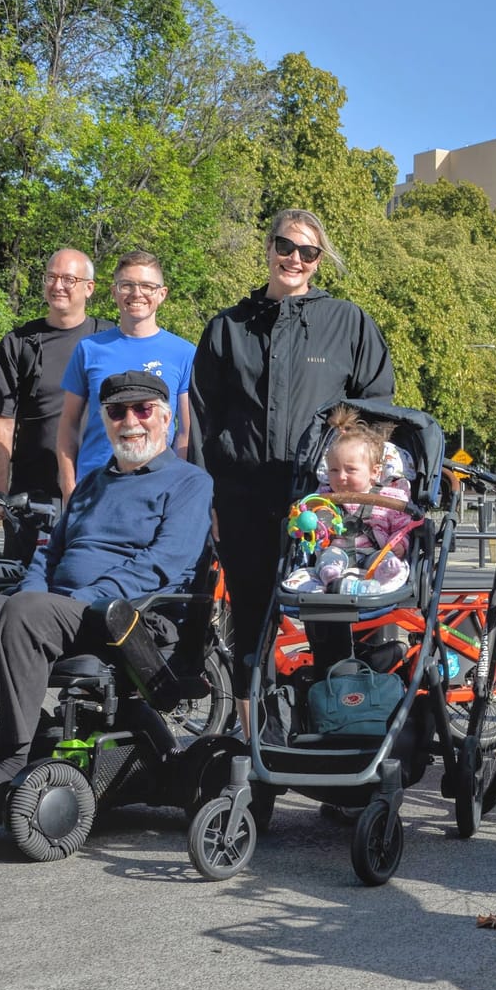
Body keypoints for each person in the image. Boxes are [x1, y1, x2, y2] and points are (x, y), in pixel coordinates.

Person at [0, 372, 213, 813]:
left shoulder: (189, 482)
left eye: (143, 410)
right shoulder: (91, 484)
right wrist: (30, 595)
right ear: (105, 421)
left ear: (166, 419)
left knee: (30, 609)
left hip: (126, 620)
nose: (130, 421)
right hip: (50, 611)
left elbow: (162, 563)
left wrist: (77, 599)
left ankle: (12, 759)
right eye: (117, 412)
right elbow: (48, 556)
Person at [192, 209, 394, 711]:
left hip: (322, 503)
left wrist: (356, 484)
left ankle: (335, 728)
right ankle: (253, 742)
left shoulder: (348, 322)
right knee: (251, 625)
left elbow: (377, 412)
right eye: (285, 246)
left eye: (308, 251)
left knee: (329, 621)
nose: (294, 259)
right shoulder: (228, 327)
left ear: (319, 260)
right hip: (242, 501)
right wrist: (205, 497)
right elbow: (200, 419)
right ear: (269, 248)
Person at [0, 248, 114, 560]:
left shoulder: (110, 340)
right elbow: (2, 422)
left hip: (100, 490)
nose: (58, 286)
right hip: (33, 496)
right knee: (23, 583)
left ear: (89, 288)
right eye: (51, 277)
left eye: (69, 279)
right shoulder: (19, 343)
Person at [56, 251, 196, 500]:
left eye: (147, 286)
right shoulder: (89, 349)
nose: (136, 293)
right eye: (127, 285)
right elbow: (67, 426)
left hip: (156, 490)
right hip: (94, 489)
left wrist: (177, 487)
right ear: (114, 292)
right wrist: (69, 488)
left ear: (162, 294)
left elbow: (186, 432)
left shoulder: (184, 353)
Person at [285, 405, 415, 597]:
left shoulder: (390, 498)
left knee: (386, 559)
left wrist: (400, 544)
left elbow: (402, 527)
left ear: (374, 472)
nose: (341, 477)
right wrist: (310, 523)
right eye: (334, 470)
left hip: (375, 551)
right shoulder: (323, 497)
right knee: (328, 559)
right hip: (338, 551)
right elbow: (315, 527)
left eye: (351, 470)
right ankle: (331, 578)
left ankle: (383, 574)